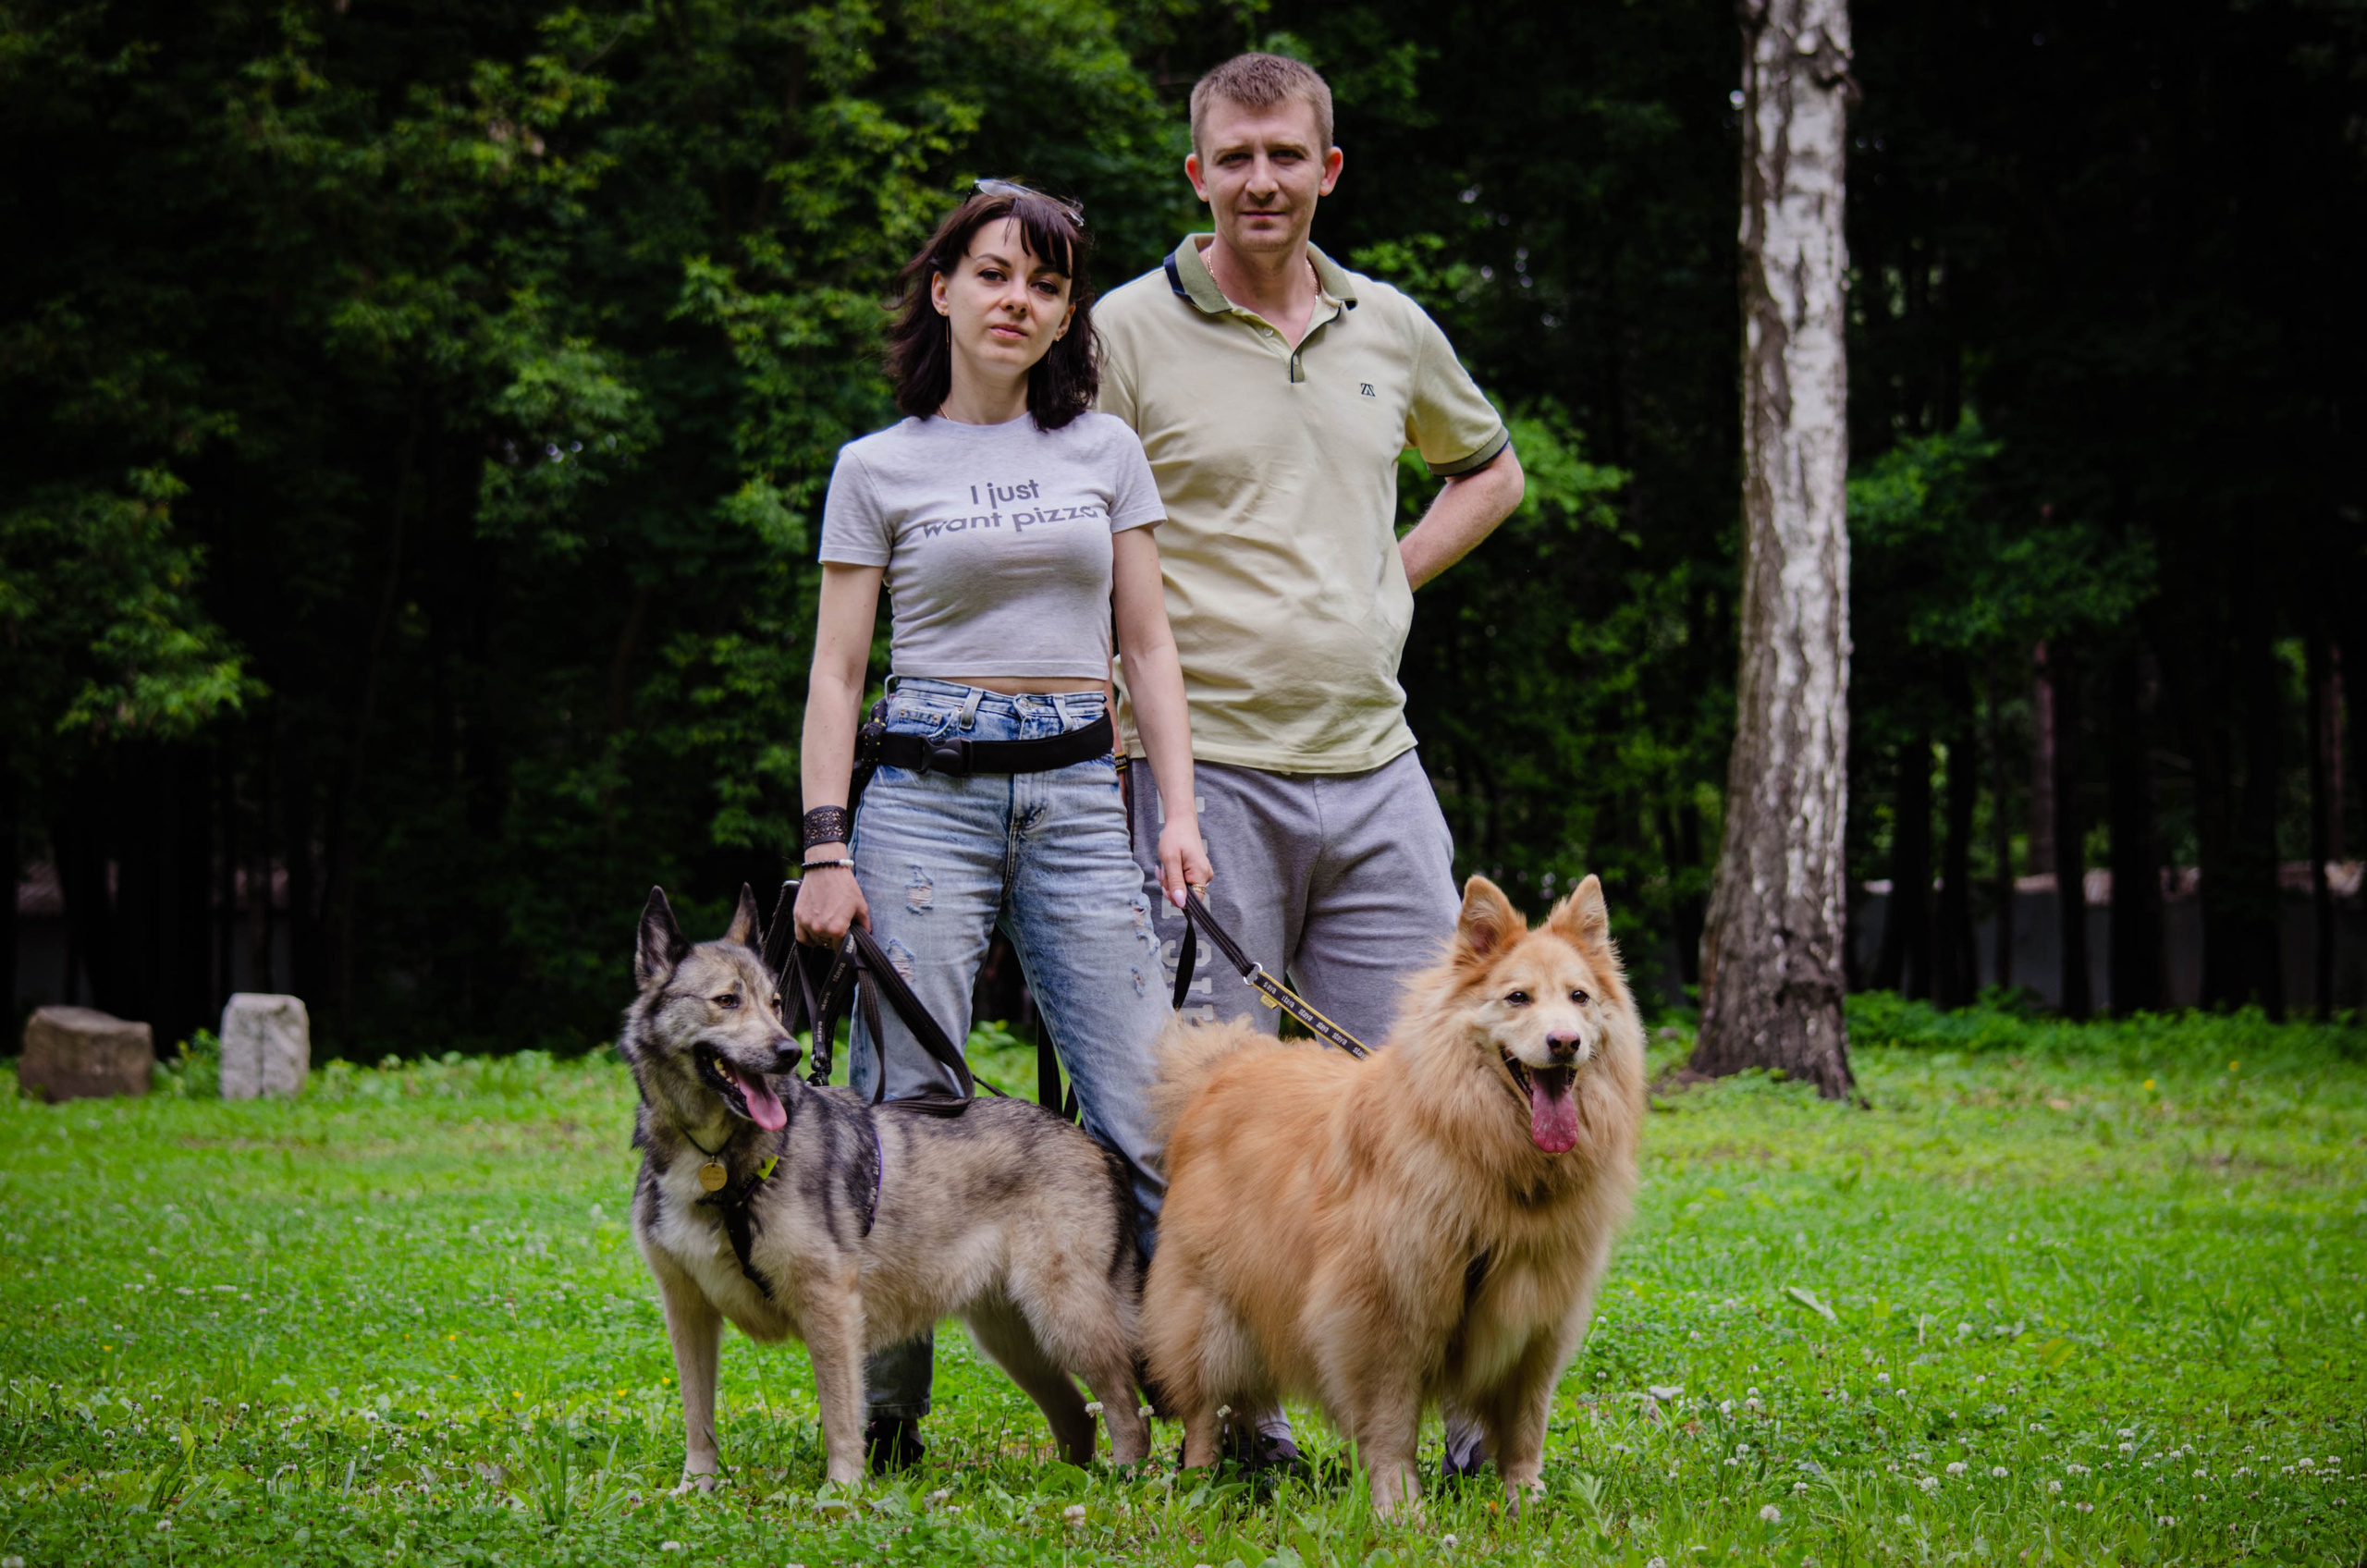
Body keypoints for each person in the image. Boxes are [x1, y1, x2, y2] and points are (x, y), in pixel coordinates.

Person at [1092, 53, 1527, 1478]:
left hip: (1376, 767)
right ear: (1197, 174)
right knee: (1219, 1112)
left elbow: (1493, 467)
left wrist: (1388, 581)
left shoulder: (1387, 325)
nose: (1262, 180)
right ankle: (1244, 1416)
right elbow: (1056, 518)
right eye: (1236, 157)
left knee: (1435, 1104)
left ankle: (1468, 1414)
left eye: (1288, 155)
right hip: (1202, 777)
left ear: (1328, 170)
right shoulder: (1121, 336)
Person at [792, 182, 1211, 1473]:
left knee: (1151, 1111)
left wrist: (1178, 813)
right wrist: (824, 845)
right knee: (900, 1109)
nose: (1015, 299)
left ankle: (1197, 1406)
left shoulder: (1104, 454)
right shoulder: (880, 465)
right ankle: (887, 1419)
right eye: (991, 273)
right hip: (926, 796)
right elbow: (836, 675)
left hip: (1085, 803)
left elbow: (1148, 646)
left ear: (1065, 309)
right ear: (944, 289)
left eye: (1042, 282)